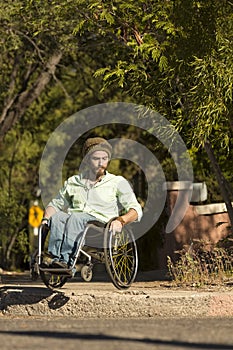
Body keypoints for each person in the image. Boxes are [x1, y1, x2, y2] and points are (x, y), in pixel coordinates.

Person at [41, 137, 142, 270]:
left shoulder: (117, 182)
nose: (101, 163)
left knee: (76, 217)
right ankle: (55, 259)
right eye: (96, 159)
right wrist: (45, 219)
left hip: (101, 225)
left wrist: (121, 221)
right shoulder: (73, 181)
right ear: (87, 160)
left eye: (104, 159)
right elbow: (55, 204)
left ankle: (67, 262)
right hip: (74, 222)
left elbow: (135, 209)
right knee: (58, 217)